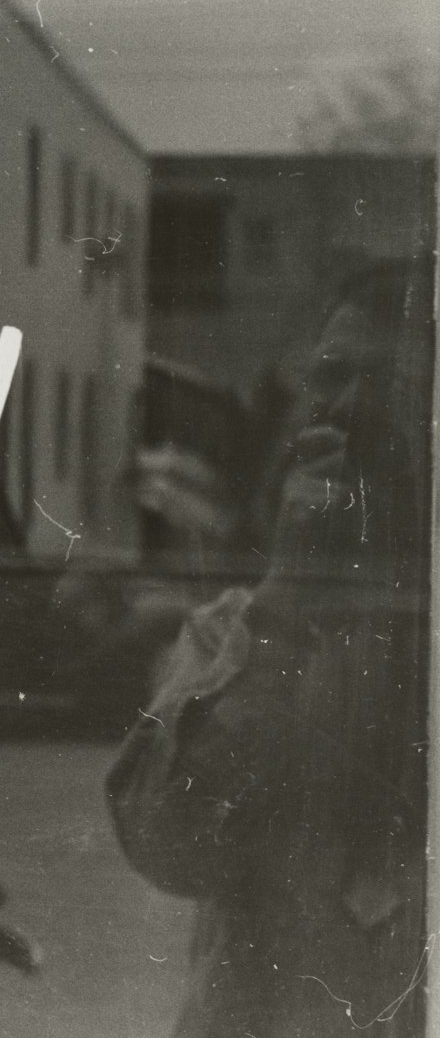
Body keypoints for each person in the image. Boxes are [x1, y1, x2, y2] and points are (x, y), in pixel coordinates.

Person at [108, 258, 434, 1038]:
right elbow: (168, 847)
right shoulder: (236, 635)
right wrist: (286, 603)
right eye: (331, 379)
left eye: (387, 387)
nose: (347, 413)